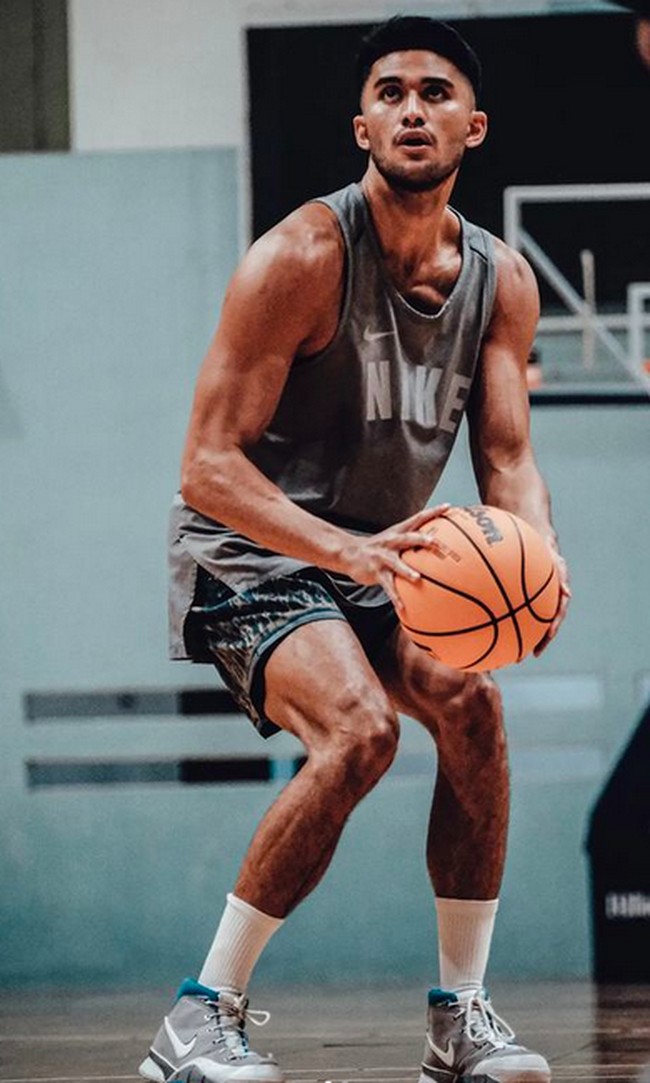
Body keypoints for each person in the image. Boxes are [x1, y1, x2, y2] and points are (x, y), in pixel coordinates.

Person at [140, 15, 570, 1083]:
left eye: (433, 93)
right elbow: (205, 467)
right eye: (389, 92)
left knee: (472, 705)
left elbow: (506, 457)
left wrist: (536, 560)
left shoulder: (500, 284)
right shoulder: (301, 256)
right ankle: (197, 1016)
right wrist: (348, 552)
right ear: (360, 125)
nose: (410, 108)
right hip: (250, 553)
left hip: (378, 557)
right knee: (360, 728)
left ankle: (457, 1018)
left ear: (473, 127)